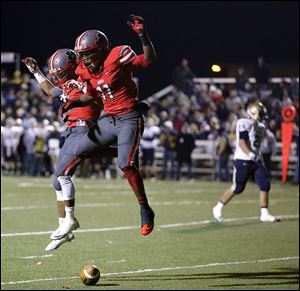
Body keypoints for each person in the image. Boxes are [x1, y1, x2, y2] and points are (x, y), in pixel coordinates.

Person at [57, 14, 156, 237]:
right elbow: (90, 95)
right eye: (81, 55)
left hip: (129, 117)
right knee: (79, 150)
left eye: (88, 54)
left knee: (125, 165)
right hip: (108, 120)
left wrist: (143, 36)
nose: (84, 59)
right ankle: (123, 150)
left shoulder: (117, 56)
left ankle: (144, 207)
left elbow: (148, 61)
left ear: (101, 49)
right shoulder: (83, 70)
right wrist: (73, 101)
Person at [22, 50, 117, 251]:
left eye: (61, 72)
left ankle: (70, 219)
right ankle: (64, 228)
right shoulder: (68, 83)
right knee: (57, 181)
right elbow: (50, 90)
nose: (58, 76)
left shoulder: (87, 79)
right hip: (70, 130)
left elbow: (96, 92)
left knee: (63, 174)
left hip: (83, 128)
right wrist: (36, 71)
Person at [212, 101, 281, 223]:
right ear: (254, 113)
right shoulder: (243, 122)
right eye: (260, 113)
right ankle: (217, 208)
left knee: (265, 184)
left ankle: (264, 214)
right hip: (243, 159)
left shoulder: (261, 126)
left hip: (256, 159)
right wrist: (250, 154)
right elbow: (242, 142)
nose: (263, 116)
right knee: (238, 188)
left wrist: (256, 156)